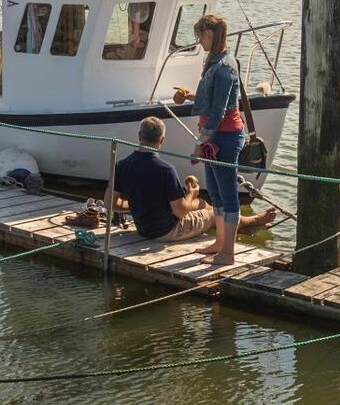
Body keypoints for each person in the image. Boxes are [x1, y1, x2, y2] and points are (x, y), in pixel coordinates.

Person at [107, 116, 274, 245]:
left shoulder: (121, 165)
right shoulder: (166, 170)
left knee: (202, 204)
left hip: (144, 228)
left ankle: (239, 226)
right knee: (213, 214)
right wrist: (191, 194)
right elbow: (180, 212)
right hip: (167, 231)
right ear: (162, 140)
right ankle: (252, 221)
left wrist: (137, 205)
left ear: (139, 136)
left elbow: (109, 203)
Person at [190, 13, 247, 265]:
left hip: (225, 137)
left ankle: (228, 253)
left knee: (228, 194)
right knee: (215, 192)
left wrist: (200, 142)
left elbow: (219, 110)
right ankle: (220, 243)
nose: (199, 42)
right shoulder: (215, 61)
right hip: (214, 136)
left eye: (200, 37)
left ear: (209, 34)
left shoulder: (224, 66)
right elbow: (213, 101)